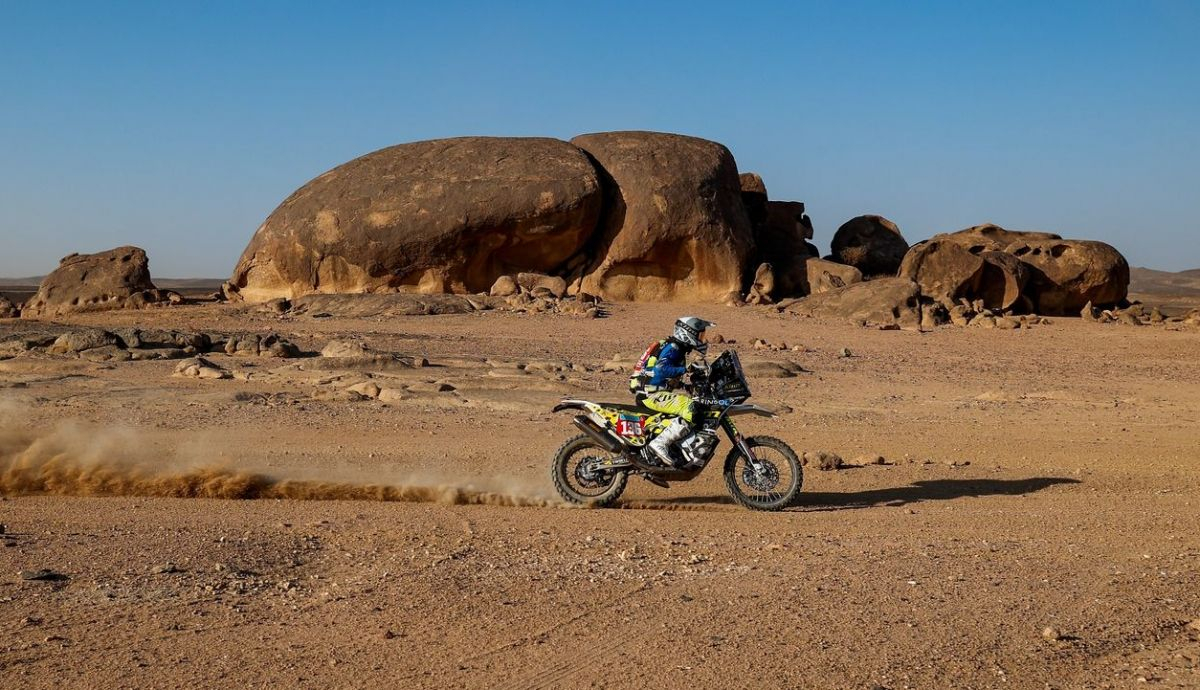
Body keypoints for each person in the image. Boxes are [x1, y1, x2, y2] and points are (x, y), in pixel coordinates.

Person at [628, 316, 714, 467]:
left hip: (652, 392)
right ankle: (659, 443)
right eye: (699, 335)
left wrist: (684, 386)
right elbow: (661, 369)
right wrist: (686, 369)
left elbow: (660, 376)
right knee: (690, 408)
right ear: (688, 333)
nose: (701, 339)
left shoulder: (674, 347)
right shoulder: (674, 348)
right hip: (652, 395)